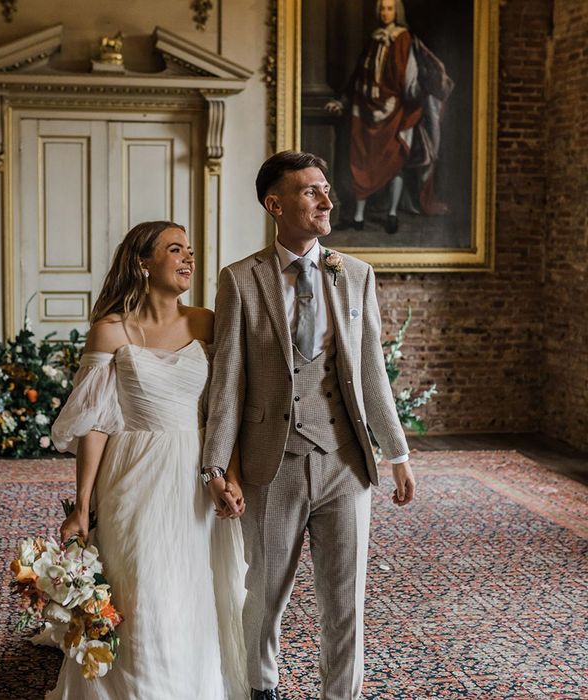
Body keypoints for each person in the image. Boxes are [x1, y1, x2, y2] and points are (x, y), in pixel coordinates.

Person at [202, 151, 416, 700]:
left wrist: (397, 453)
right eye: (310, 192)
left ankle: (340, 695)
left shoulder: (356, 275)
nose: (326, 200)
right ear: (275, 205)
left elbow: (372, 371)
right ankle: (261, 689)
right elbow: (227, 382)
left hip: (346, 461)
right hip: (271, 463)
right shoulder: (241, 280)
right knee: (266, 592)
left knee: (345, 598)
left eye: (326, 189)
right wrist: (215, 468)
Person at [49, 220, 249, 699]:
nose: (188, 259)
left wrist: (229, 475)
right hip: (132, 474)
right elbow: (96, 423)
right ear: (143, 262)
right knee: (140, 592)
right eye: (174, 249)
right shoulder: (111, 330)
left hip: (195, 471)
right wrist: (81, 506)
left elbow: (225, 411)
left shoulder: (206, 321)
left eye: (190, 251)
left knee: (189, 590)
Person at [325, 0, 453, 234]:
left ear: (397, 12)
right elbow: (358, 75)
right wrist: (342, 100)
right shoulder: (374, 38)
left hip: (396, 111)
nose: (385, 13)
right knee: (363, 162)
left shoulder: (404, 38)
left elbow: (410, 78)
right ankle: (358, 217)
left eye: (390, 8)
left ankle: (391, 214)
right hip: (365, 109)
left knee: (396, 162)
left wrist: (412, 100)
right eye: (382, 8)